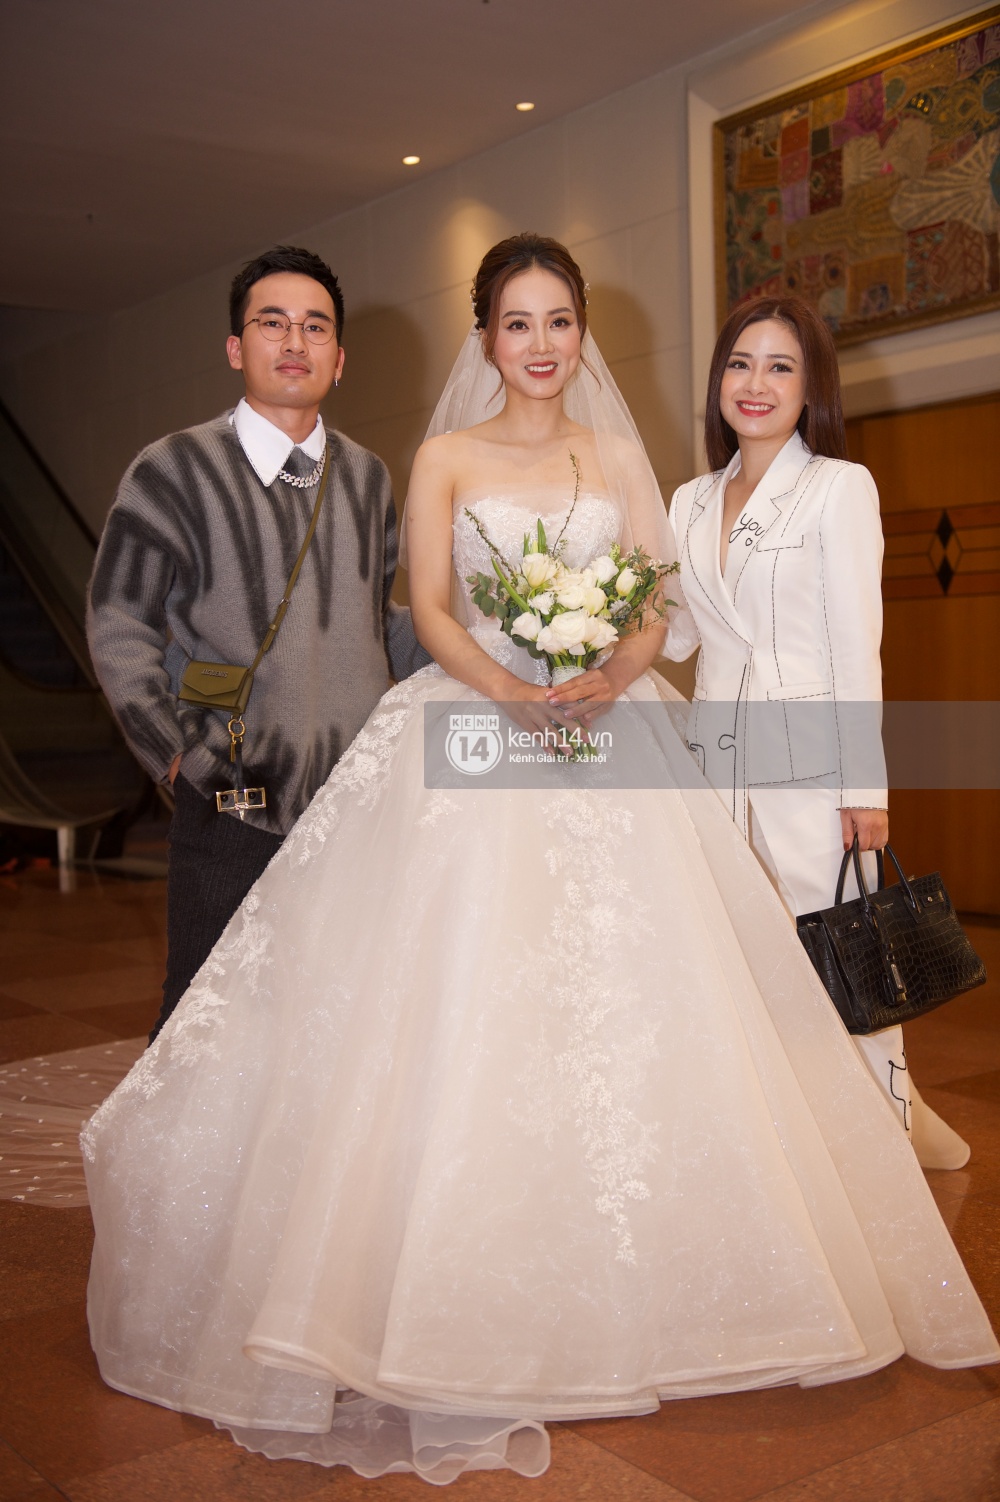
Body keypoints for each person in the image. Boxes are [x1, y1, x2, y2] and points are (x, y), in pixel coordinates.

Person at [83, 236, 998, 1485]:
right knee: (466, 995)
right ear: (486, 339)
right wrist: (514, 686)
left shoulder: (623, 459)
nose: (541, 343)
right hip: (473, 726)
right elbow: (427, 606)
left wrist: (609, 674)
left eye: (558, 320)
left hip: (612, 736)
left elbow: (654, 607)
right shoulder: (441, 457)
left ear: (579, 333)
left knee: (645, 991)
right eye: (516, 323)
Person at [87, 245, 427, 1040]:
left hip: (350, 800)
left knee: (332, 1018)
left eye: (316, 328)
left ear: (340, 359)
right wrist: (175, 755)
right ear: (237, 348)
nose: (294, 343)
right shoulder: (173, 468)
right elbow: (118, 620)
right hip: (230, 787)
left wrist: (485, 647)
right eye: (272, 323)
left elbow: (375, 620)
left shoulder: (369, 478)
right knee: (204, 1020)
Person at [661, 296, 969, 1171]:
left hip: (809, 767)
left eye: (780, 367)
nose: (754, 384)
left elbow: (853, 646)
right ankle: (784, 1145)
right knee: (743, 957)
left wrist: (865, 791)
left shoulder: (837, 487)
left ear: (809, 389)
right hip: (714, 763)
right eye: (739, 364)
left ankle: (890, 1129)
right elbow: (680, 633)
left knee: (845, 953)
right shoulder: (688, 501)